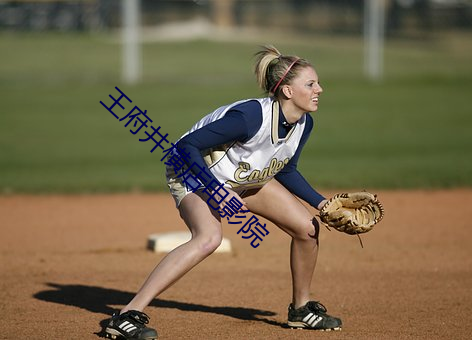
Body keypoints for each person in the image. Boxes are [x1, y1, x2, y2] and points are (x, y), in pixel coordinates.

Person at [105, 45, 342, 340]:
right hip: (193, 175)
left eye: (317, 82)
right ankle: (126, 315)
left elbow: (286, 169)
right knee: (209, 238)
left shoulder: (304, 123)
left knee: (307, 228)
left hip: (240, 179)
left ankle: (302, 309)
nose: (320, 88)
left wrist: (322, 204)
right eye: (310, 84)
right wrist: (216, 190)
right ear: (288, 92)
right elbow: (183, 147)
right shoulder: (249, 117)